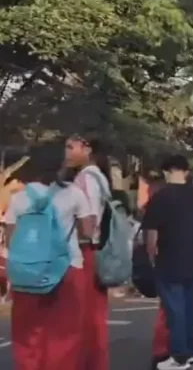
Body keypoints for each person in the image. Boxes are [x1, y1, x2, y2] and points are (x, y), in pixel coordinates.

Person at [7, 152, 96, 370]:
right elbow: (88, 231)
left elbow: (11, 238)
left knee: (27, 331)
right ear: (60, 168)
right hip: (67, 268)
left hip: (28, 271)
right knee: (65, 331)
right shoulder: (74, 194)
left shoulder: (20, 197)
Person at [143, 154, 193, 370]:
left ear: (166, 172)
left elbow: (151, 233)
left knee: (175, 309)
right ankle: (191, 349)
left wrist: (151, 257)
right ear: (186, 172)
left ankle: (179, 356)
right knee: (192, 305)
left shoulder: (160, 197)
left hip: (169, 258)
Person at [66, 134, 112, 370]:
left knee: (85, 314)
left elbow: (90, 219)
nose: (66, 153)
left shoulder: (87, 178)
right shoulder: (98, 177)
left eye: (70, 147)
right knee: (94, 314)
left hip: (85, 250)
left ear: (87, 149)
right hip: (93, 249)